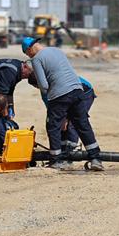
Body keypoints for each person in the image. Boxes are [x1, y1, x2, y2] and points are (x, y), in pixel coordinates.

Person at [22, 36, 103, 171]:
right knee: (82, 124)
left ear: (29, 49)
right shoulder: (57, 50)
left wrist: (48, 91)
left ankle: (57, 160)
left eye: (27, 53)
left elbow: (43, 85)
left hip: (59, 95)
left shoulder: (36, 59)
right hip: (77, 90)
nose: (28, 56)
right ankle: (95, 158)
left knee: (53, 126)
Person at [56, 77, 96, 156]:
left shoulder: (54, 84)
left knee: (74, 122)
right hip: (69, 92)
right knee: (60, 122)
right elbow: (51, 105)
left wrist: (65, 118)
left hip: (84, 91)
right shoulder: (44, 88)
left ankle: (70, 152)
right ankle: (63, 150)